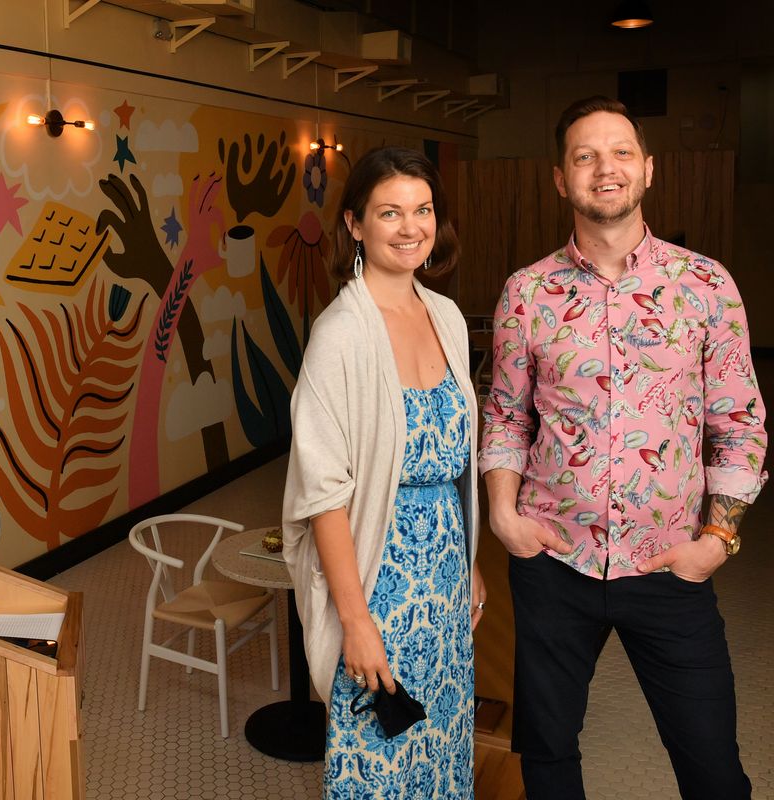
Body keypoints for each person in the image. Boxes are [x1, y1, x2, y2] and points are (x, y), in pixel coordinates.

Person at [479, 96, 767, 800]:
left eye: (619, 153)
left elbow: (741, 421)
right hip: (554, 564)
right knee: (545, 753)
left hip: (670, 566)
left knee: (712, 767)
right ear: (560, 178)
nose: (603, 168)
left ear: (647, 170)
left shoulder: (707, 287)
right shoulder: (526, 293)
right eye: (584, 155)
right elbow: (507, 415)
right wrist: (502, 513)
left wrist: (717, 539)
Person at [282, 146, 486, 798]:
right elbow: (323, 494)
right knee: (380, 754)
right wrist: (356, 620)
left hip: (447, 576)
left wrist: (471, 558)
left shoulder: (447, 317)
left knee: (442, 740)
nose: (410, 227)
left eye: (422, 210)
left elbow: (459, 462)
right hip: (378, 578)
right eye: (389, 212)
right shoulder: (339, 335)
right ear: (354, 225)